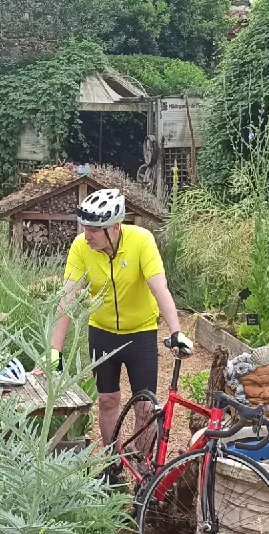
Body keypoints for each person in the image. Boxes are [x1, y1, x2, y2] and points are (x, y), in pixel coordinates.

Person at [50, 188, 194, 455]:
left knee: (145, 406)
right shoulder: (81, 247)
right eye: (85, 227)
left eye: (94, 229)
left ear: (115, 228)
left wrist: (176, 332)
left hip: (141, 333)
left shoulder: (141, 240)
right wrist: (54, 355)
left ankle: (143, 470)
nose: (87, 235)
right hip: (102, 332)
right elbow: (65, 300)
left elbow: (160, 288)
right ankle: (112, 465)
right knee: (106, 401)